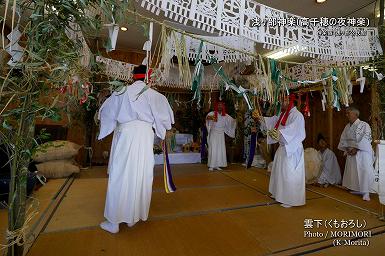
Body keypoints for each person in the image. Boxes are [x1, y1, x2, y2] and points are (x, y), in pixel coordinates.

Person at [98, 65, 174, 233]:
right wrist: (159, 129)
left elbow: (105, 112)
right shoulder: (156, 96)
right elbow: (166, 120)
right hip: (145, 136)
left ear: (133, 77)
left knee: (120, 174)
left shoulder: (121, 92)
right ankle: (133, 217)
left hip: (127, 135)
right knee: (140, 174)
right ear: (147, 78)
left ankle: (114, 222)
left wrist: (110, 126)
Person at [259, 94, 306, 208]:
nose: (282, 102)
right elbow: (272, 122)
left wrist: (280, 132)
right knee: (280, 173)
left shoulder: (297, 115)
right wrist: (260, 118)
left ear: (291, 102)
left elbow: (293, 129)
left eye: (284, 100)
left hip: (292, 148)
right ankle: (279, 195)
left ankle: (291, 199)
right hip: (283, 148)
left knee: (289, 174)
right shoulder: (284, 114)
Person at [338, 107, 375, 201]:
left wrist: (356, 148)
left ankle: (366, 192)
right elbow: (343, 139)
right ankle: (355, 189)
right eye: (346, 113)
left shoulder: (364, 125)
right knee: (353, 171)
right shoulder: (347, 126)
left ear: (356, 114)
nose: (347, 115)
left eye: (348, 113)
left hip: (362, 152)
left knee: (364, 171)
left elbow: (366, 138)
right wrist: (346, 148)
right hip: (351, 151)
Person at [206, 101, 236, 171]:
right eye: (218, 105)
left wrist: (235, 120)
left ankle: (217, 165)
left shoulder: (225, 115)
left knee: (220, 149)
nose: (220, 106)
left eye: (221, 105)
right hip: (214, 133)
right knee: (213, 148)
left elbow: (232, 121)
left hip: (221, 134)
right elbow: (207, 118)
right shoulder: (212, 113)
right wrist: (211, 118)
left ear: (223, 107)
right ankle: (211, 165)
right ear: (216, 106)